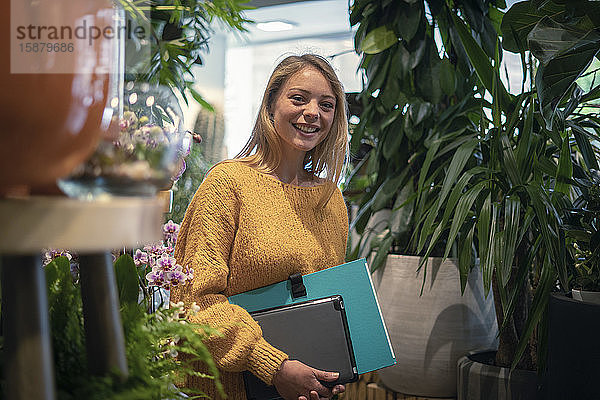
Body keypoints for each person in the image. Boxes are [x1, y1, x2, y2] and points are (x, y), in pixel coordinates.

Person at [171, 54, 349, 400]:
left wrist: (330, 369)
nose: (313, 112)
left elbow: (326, 301)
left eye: (326, 105)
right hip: (232, 386)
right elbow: (195, 301)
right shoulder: (227, 184)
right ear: (270, 105)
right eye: (298, 98)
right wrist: (273, 366)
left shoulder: (331, 198)